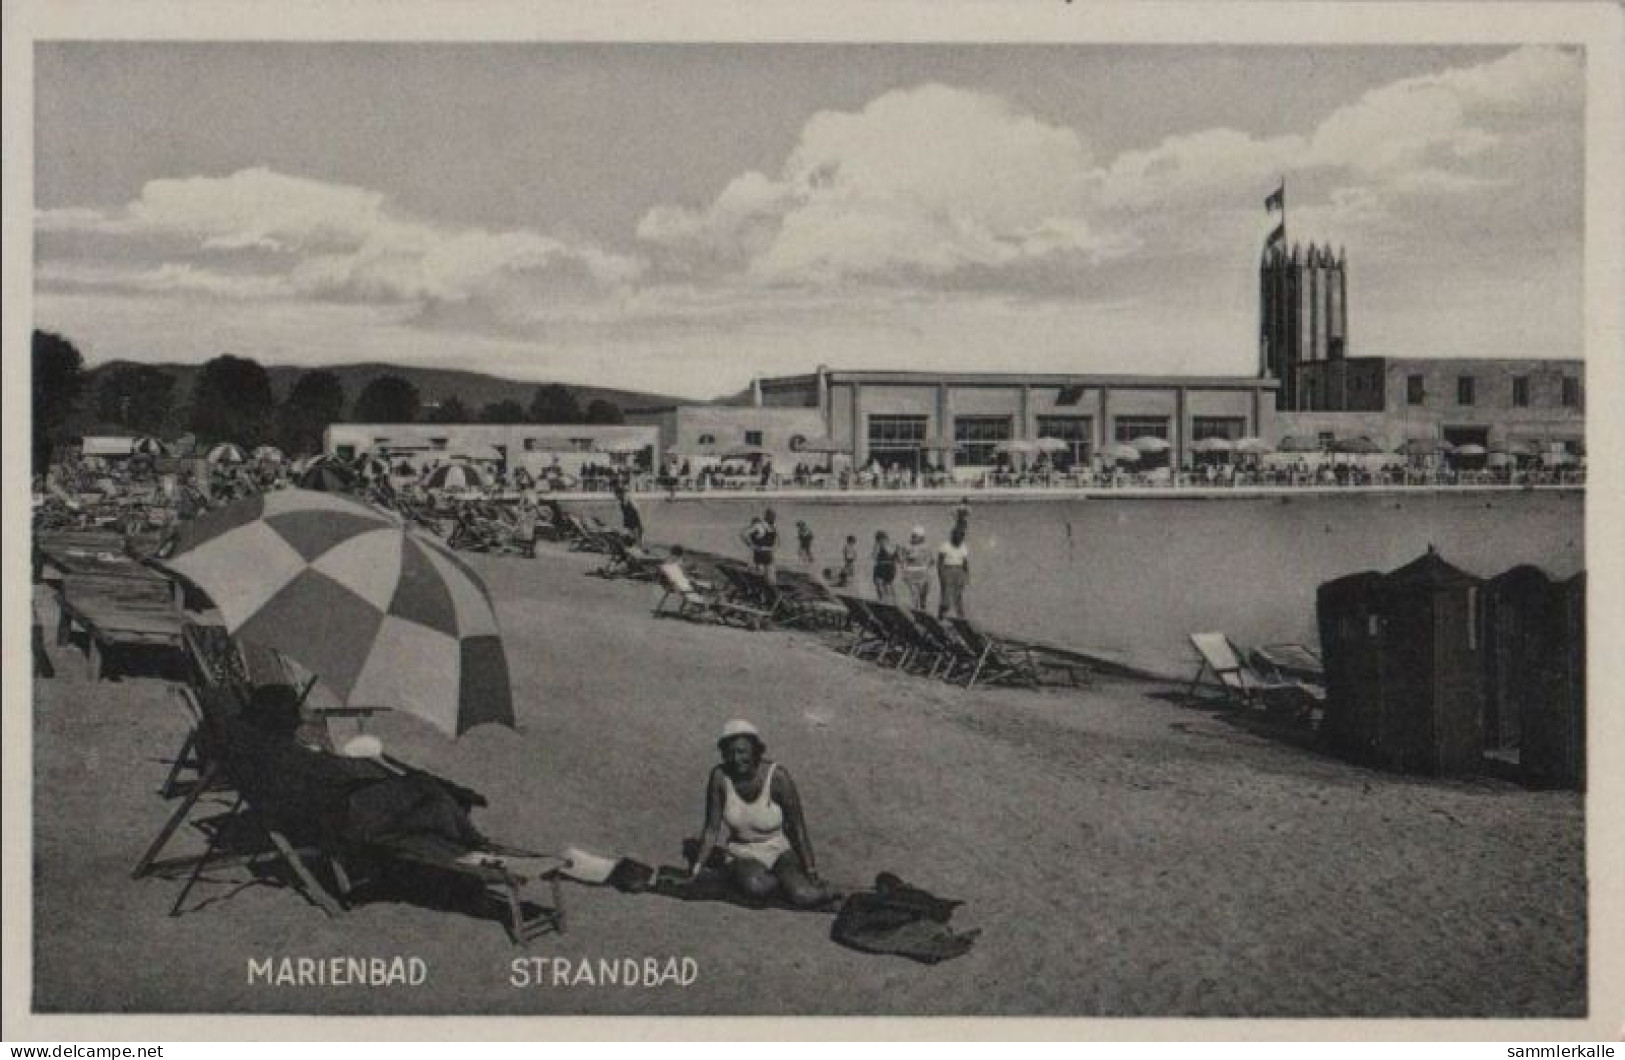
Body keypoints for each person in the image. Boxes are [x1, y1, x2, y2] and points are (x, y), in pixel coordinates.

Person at [689, 720, 828, 907]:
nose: (737, 759)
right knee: (758, 887)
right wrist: (697, 867)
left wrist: (810, 870)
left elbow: (797, 828)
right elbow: (712, 829)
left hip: (779, 850)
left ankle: (788, 881)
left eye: (742, 752)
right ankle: (745, 876)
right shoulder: (720, 777)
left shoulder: (778, 777)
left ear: (756, 751)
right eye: (730, 753)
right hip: (742, 853)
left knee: (804, 895)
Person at [936, 524, 971, 619]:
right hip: (948, 570)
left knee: (958, 597)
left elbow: (965, 563)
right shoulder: (945, 546)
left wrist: (966, 577)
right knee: (946, 598)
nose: (960, 539)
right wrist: (942, 577)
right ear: (953, 536)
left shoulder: (963, 547)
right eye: (958, 536)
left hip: (959, 571)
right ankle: (940, 618)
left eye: (962, 537)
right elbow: (939, 563)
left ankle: (961, 618)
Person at [740, 508, 779, 586]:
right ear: (766, 517)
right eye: (771, 516)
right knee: (760, 577)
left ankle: (770, 592)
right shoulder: (759, 526)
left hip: (768, 554)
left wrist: (774, 548)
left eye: (774, 517)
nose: (773, 518)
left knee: (771, 579)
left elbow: (777, 540)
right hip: (759, 554)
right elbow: (743, 534)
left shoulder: (773, 526)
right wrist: (751, 545)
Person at [899, 526, 933, 611]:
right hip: (912, 574)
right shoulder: (907, 547)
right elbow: (902, 560)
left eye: (915, 536)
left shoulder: (926, 547)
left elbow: (931, 561)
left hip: (923, 575)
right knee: (914, 596)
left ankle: (922, 613)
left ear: (921, 538)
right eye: (913, 536)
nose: (913, 538)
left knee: (923, 599)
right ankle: (916, 612)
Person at [871, 530, 899, 603]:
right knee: (889, 583)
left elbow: (874, 556)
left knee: (878, 582)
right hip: (892, 567)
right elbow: (897, 558)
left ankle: (882, 600)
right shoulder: (892, 545)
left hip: (881, 566)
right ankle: (894, 600)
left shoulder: (879, 544)